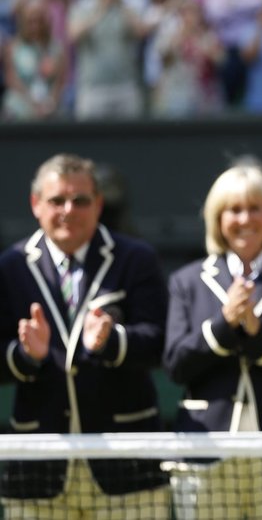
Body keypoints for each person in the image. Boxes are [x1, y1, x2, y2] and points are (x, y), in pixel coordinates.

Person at [0, 153, 169, 517]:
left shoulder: (136, 258)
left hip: (127, 466)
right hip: (39, 469)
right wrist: (25, 355)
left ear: (98, 204)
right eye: (57, 200)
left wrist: (112, 343)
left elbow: (158, 343)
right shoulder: (10, 266)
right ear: (35, 204)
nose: (68, 210)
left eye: (80, 200)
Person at [164, 162, 262, 520]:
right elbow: (176, 365)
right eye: (234, 209)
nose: (245, 219)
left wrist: (258, 334)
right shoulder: (187, 282)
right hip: (205, 451)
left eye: (256, 208)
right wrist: (224, 325)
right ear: (217, 218)